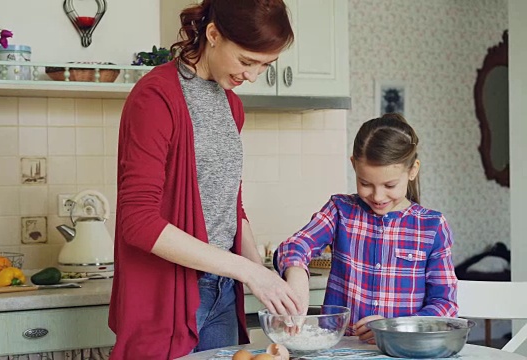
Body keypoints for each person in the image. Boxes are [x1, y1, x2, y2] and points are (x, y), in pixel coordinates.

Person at [108, 1, 304, 358]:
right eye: (247, 61)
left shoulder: (231, 104)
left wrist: (263, 278)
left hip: (223, 293)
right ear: (213, 35)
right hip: (169, 294)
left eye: (266, 65)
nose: (253, 76)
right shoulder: (156, 97)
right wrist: (249, 271)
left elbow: (232, 207)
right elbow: (137, 222)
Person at [275, 113, 458, 343]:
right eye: (365, 183)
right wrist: (296, 273)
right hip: (339, 349)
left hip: (401, 354)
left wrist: (395, 328)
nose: (378, 196)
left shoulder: (432, 226)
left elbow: (446, 306)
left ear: (412, 171)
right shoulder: (340, 211)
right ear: (354, 165)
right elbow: (295, 245)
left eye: (390, 185)